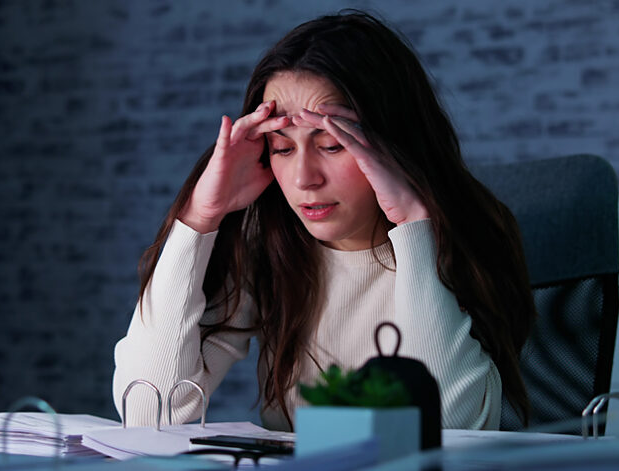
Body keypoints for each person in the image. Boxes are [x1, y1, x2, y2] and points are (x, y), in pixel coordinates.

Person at [113, 10, 537, 432]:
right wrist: (198, 219)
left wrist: (412, 227)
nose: (303, 179)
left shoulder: (459, 238)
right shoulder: (268, 241)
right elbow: (148, 413)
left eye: (332, 145)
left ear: (394, 141)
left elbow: (449, 430)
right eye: (281, 148)